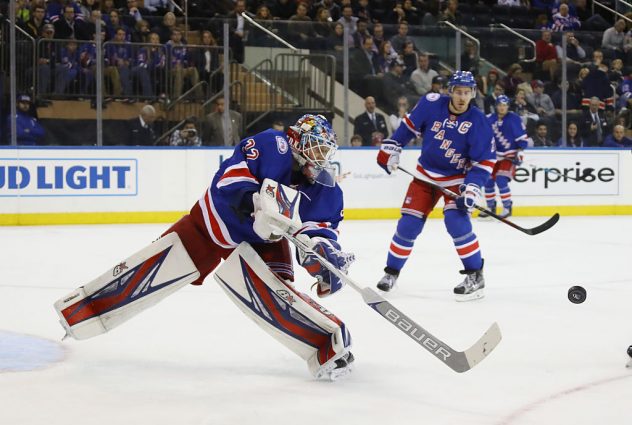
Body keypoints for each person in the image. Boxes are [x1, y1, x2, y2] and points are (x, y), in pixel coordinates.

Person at [160, 114, 355, 379]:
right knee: (160, 265)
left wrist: (323, 254)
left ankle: (324, 346)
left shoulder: (325, 187)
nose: (320, 158)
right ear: (297, 139)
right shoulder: (274, 145)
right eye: (316, 148)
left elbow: (318, 229)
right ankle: (88, 306)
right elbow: (230, 180)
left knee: (275, 290)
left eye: (325, 151)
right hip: (214, 224)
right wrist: (250, 200)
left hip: (264, 241)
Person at [375, 71, 495, 301]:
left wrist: (471, 188)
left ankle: (475, 276)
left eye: (467, 93)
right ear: (449, 91)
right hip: (425, 176)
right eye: (458, 92)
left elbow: (485, 162)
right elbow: (408, 128)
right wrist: (391, 146)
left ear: (473, 94)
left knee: (456, 223)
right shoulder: (431, 103)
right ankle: (391, 273)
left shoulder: (479, 121)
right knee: (408, 225)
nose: (462, 97)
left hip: (456, 179)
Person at [482, 95, 529, 219]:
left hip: (509, 156)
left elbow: (522, 138)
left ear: (508, 106)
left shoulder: (514, 119)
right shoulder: (489, 119)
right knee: (488, 181)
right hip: (492, 156)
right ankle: (490, 207)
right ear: (496, 106)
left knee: (501, 180)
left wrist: (520, 151)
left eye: (504, 105)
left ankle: (507, 207)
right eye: (500, 105)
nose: (502, 108)